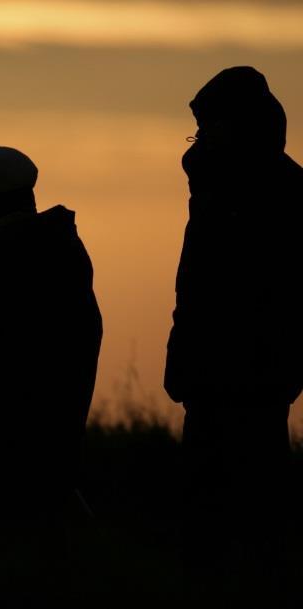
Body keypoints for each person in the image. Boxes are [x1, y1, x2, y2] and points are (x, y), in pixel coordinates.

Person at [164, 66, 303, 608]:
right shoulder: (221, 185)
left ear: (238, 125)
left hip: (256, 376)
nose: (201, 137)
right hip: (213, 372)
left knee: (255, 510)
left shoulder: (275, 189)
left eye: (211, 124)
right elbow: (197, 286)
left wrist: (283, 370)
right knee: (207, 511)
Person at [0, 145, 102, 607]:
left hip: (7, 425)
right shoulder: (58, 243)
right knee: (43, 529)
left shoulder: (7, 253)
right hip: (54, 419)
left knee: (11, 528)